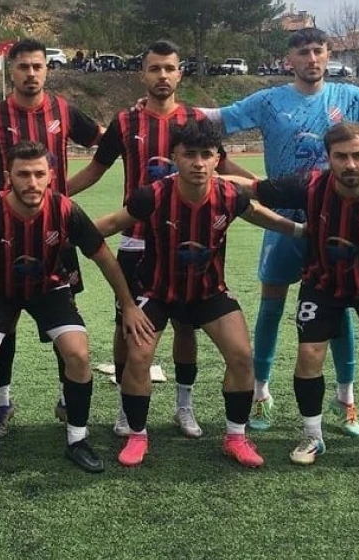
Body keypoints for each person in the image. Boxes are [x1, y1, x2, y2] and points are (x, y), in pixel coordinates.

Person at [202, 27, 359, 436]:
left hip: (340, 222)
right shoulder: (268, 101)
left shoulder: (350, 96)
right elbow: (215, 119)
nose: (312, 59)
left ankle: (346, 398)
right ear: (289, 59)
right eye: (303, 52)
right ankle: (261, 392)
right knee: (272, 305)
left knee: (340, 304)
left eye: (318, 51)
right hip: (284, 218)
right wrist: (164, 107)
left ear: (329, 54)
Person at [0, 141, 142, 476]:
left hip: (49, 289)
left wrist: (129, 305)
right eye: (23, 174)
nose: (31, 182)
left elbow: (103, 257)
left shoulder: (65, 210)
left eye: (38, 174)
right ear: (9, 177)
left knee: (78, 353)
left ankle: (77, 439)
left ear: (51, 176)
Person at [68, 39, 253, 440]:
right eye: (154, 69)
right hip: (136, 239)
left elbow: (223, 165)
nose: (162, 76)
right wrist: (56, 197)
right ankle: (126, 408)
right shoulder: (125, 122)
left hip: (188, 238)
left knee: (186, 327)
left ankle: (184, 406)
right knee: (128, 327)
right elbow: (96, 170)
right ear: (143, 74)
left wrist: (260, 186)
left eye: (169, 68)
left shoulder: (196, 120)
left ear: (180, 73)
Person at [94, 121, 300, 469]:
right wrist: (65, 236)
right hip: (157, 292)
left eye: (207, 155)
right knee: (139, 356)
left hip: (208, 292)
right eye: (189, 155)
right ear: (174, 157)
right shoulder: (153, 195)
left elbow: (259, 215)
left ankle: (236, 437)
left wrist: (302, 231)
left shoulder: (230, 195)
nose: (199, 163)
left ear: (218, 159)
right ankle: (137, 435)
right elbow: (112, 224)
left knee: (241, 356)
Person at [225, 123, 359, 474]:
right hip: (321, 285)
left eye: (358, 156)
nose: (350, 164)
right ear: (329, 158)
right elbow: (254, 187)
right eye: (341, 156)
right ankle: (312, 437)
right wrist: (206, 176)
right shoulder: (310, 185)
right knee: (309, 355)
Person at [0, 37, 103, 434]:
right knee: (5, 320)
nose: (31, 73)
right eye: (23, 66)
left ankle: (67, 398)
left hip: (57, 234)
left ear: (47, 69)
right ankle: (2, 402)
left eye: (37, 66)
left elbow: (105, 141)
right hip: (6, 233)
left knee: (64, 317)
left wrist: (68, 190)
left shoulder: (63, 110)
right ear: (10, 70)